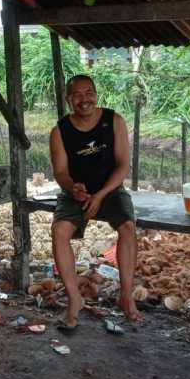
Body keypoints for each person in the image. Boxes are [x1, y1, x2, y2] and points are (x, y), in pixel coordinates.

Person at [49, 74, 140, 332]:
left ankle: (126, 294)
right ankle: (74, 298)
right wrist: (72, 188)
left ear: (96, 95)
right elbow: (61, 173)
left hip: (110, 188)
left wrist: (100, 195)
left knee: (127, 228)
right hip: (77, 192)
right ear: (69, 100)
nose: (84, 99)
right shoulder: (60, 131)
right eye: (77, 94)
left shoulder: (114, 121)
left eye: (89, 92)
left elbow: (123, 165)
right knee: (59, 231)